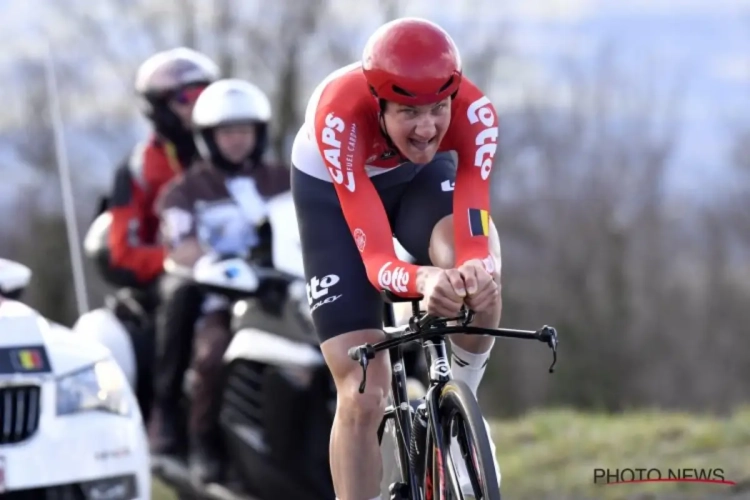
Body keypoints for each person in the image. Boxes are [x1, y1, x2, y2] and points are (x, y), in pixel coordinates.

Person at [291, 17, 503, 500]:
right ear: (378, 104)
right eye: (409, 112)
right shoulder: (340, 118)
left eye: (437, 109)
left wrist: (475, 270)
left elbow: (474, 224)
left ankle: (460, 409)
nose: (427, 127)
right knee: (364, 387)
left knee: (483, 275)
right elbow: (376, 261)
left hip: (420, 183)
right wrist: (426, 280)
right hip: (334, 198)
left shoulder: (476, 115)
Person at [156, 78, 291, 484]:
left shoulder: (286, 179)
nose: (237, 140)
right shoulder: (184, 191)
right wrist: (226, 267)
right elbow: (181, 247)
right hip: (223, 300)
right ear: (208, 138)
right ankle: (204, 443)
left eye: (244, 131)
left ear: (259, 133)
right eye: (227, 132)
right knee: (211, 357)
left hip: (290, 292)